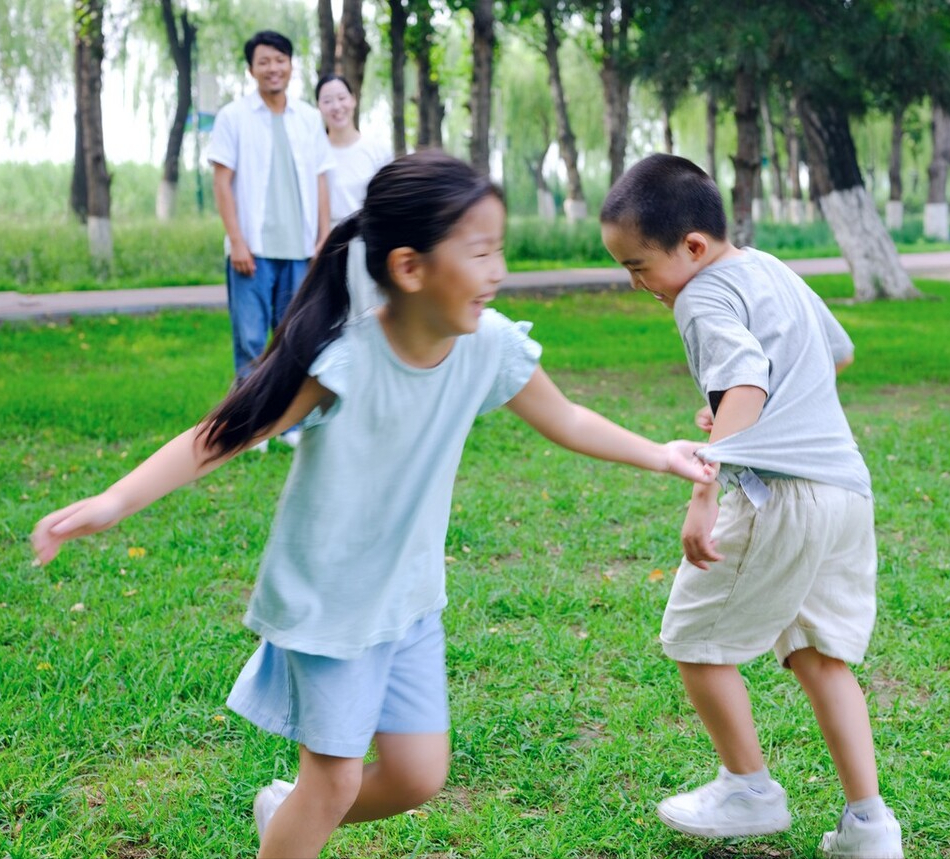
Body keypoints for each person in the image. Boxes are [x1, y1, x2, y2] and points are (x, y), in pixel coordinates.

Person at [31, 151, 716, 859]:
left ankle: (287, 813)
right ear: (410, 268)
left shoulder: (488, 344)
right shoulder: (347, 359)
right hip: (329, 606)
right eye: (479, 251)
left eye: (499, 250)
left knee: (419, 775)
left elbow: (567, 418)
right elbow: (224, 433)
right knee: (328, 786)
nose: (498, 271)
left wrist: (660, 454)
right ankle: (299, 817)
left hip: (409, 599)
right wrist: (113, 501)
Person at [599, 153, 903, 859]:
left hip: (781, 495)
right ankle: (869, 825)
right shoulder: (769, 268)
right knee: (822, 655)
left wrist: (706, 486)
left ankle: (748, 784)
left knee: (695, 638)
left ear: (693, 248)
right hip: (844, 494)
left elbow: (746, 382)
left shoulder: (700, 295)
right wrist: (750, 410)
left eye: (640, 266)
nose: (636, 283)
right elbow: (836, 354)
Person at [207, 30, 335, 450]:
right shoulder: (234, 117)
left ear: (291, 65)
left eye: (280, 59)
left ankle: (288, 424)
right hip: (253, 251)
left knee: (295, 338)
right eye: (264, 61)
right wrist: (237, 241)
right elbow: (222, 183)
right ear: (251, 69)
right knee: (249, 341)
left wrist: (323, 236)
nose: (273, 68)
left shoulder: (307, 118)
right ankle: (247, 424)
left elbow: (320, 179)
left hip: (300, 248)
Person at [315, 72, 393, 319]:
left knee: (374, 312)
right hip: (330, 245)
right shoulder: (314, 153)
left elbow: (388, 199)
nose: (336, 107)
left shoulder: (376, 150)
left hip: (369, 242)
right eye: (327, 100)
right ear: (318, 106)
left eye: (341, 98)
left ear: (353, 99)